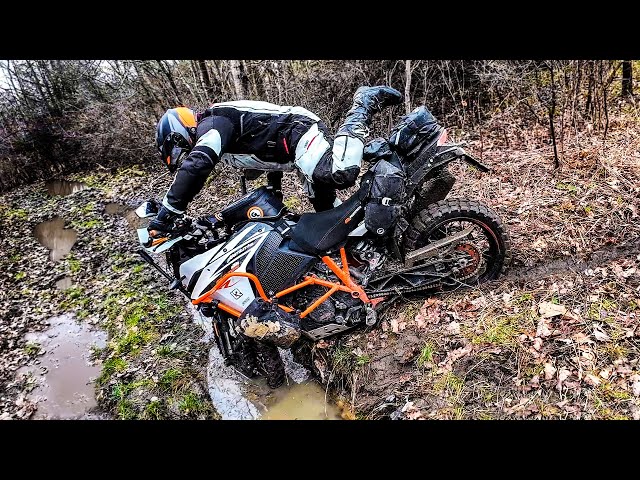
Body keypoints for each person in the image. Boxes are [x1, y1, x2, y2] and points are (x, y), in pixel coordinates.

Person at [149, 85, 402, 235]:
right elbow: (264, 143)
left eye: (182, 151)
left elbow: (197, 166)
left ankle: (364, 104)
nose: (186, 156)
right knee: (329, 214)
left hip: (298, 131)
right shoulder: (218, 131)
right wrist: (275, 190)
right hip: (291, 152)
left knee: (340, 173)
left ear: (179, 134)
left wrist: (168, 212)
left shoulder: (213, 123)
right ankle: (371, 246)